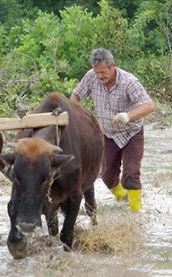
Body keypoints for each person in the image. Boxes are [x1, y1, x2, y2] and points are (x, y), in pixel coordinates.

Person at [70, 48, 155, 211]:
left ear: (112, 66)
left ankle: (135, 213)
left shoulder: (129, 82)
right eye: (97, 73)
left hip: (131, 132)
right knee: (107, 176)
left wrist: (128, 116)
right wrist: (75, 114)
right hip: (107, 134)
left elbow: (149, 106)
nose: (100, 76)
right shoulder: (91, 77)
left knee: (131, 174)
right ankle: (123, 198)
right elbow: (76, 96)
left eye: (103, 72)